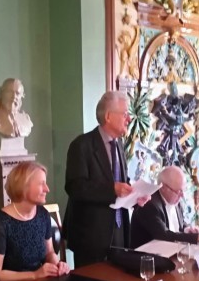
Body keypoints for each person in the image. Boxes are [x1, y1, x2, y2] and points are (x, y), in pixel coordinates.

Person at [64, 91, 150, 267]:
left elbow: (120, 182)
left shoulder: (119, 144)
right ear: (108, 116)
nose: (129, 119)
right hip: (91, 236)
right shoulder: (82, 145)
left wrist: (135, 197)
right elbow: (75, 187)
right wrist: (112, 189)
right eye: (125, 114)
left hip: (119, 231)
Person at [0, 161, 70, 281]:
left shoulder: (43, 214)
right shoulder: (0, 223)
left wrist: (58, 265)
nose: (47, 189)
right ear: (24, 186)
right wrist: (34, 275)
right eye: (41, 184)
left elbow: (50, 253)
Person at [131, 165, 199, 248]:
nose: (182, 195)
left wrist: (188, 230)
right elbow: (164, 235)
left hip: (171, 251)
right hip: (147, 257)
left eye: (183, 190)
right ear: (163, 187)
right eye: (178, 191)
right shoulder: (149, 204)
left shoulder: (175, 199)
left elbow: (179, 226)